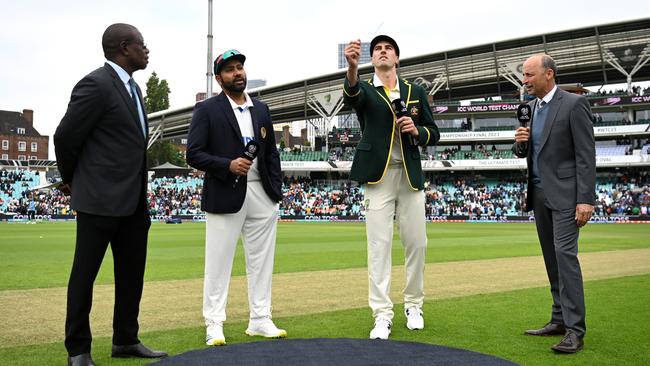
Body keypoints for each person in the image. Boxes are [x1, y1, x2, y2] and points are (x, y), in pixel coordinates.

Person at [54, 23, 167, 366]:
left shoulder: (135, 90)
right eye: (142, 44)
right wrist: (74, 179)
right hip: (98, 200)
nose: (147, 50)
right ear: (124, 47)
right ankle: (78, 350)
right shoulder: (96, 84)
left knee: (132, 274)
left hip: (133, 201)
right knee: (84, 275)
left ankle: (125, 340)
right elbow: (64, 137)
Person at [186, 49, 286, 346]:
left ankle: (260, 319)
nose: (237, 73)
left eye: (240, 67)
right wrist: (227, 165)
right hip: (224, 189)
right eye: (229, 69)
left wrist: (276, 192)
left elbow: (272, 154)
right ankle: (214, 323)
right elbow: (194, 154)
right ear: (219, 79)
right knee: (218, 262)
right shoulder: (207, 109)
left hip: (261, 193)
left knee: (262, 261)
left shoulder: (261, 109)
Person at [342, 35, 440, 340]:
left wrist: (417, 130)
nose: (383, 52)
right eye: (377, 50)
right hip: (378, 177)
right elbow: (351, 96)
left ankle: (414, 305)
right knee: (379, 247)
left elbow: (434, 133)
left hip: (409, 175)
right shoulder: (366, 89)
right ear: (372, 59)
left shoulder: (415, 91)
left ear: (397, 58)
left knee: (417, 244)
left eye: (388, 49)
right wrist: (351, 67)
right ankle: (382, 315)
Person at [513, 54, 596, 354]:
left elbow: (586, 155)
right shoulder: (529, 108)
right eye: (524, 75)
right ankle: (559, 319)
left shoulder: (574, 105)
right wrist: (520, 141)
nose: (525, 80)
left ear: (548, 74)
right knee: (552, 259)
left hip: (566, 196)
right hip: (538, 196)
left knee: (565, 258)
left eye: (529, 75)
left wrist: (586, 198)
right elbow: (523, 152)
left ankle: (575, 330)